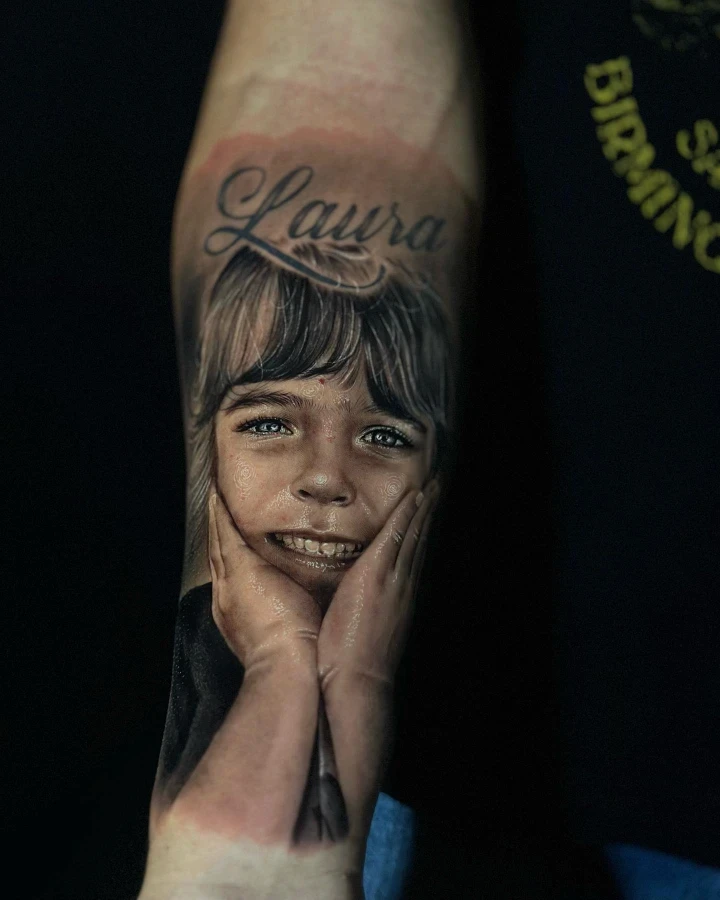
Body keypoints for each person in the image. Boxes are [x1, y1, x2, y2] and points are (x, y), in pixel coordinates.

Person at [137, 0, 480, 897]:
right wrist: (286, 667)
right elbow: (335, 82)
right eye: (269, 423)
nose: (328, 478)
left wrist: (331, 670)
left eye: (383, 435)